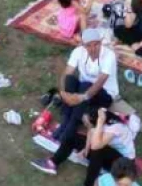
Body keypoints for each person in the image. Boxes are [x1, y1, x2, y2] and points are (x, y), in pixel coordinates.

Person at [30, 28, 121, 176]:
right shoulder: (79, 52)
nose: (93, 48)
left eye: (96, 44)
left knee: (85, 86)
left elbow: (100, 82)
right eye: (89, 45)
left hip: (104, 94)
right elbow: (67, 73)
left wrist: (81, 97)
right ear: (84, 45)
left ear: (101, 43)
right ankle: (67, 121)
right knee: (71, 81)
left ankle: (69, 127)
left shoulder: (108, 56)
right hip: (83, 91)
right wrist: (64, 93)